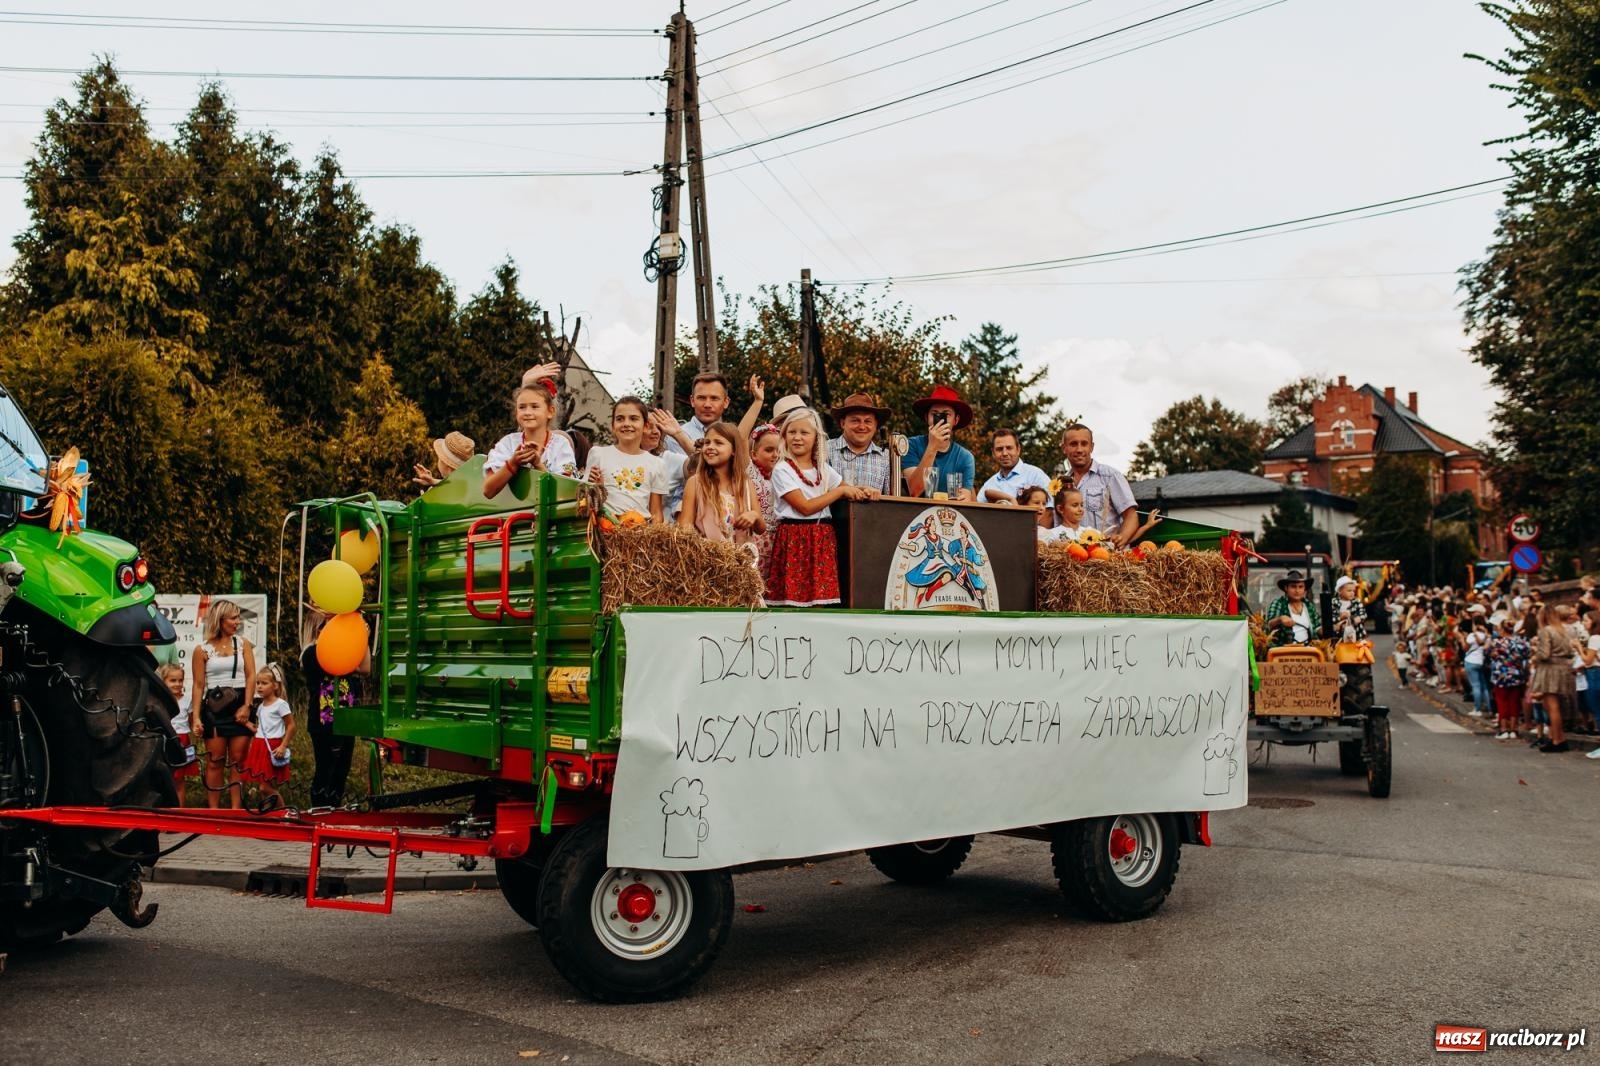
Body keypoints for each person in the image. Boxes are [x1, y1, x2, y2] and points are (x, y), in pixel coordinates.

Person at [765, 407, 873, 607]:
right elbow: (805, 507)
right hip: (795, 537)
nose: (797, 438)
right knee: (792, 600)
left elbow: (846, 487)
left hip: (821, 537)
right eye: (792, 432)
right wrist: (840, 492)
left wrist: (864, 490)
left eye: (804, 432)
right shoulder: (782, 469)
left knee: (819, 599)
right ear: (784, 436)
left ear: (816, 438)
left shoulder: (822, 468)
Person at [191, 599, 256, 810]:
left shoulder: (243, 644)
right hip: (215, 706)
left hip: (240, 704)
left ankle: (236, 809)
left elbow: (251, 676)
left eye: (238, 618)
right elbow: (198, 685)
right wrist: (196, 717)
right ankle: (214, 811)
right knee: (215, 760)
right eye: (233, 618)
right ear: (220, 620)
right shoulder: (202, 649)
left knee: (237, 761)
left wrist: (247, 706)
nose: (237, 622)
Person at [301, 609, 361, 808]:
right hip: (323, 718)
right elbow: (335, 666)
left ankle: (335, 807)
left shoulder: (340, 651)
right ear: (318, 629)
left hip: (345, 715)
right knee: (326, 766)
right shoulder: (311, 653)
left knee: (342, 768)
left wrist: (362, 638)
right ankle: (320, 807)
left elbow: (365, 668)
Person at [678, 421, 764, 554]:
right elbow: (685, 526)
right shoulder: (695, 483)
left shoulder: (746, 484)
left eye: (718, 443)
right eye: (707, 442)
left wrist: (754, 515)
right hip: (708, 558)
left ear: (734, 450)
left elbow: (761, 528)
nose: (710, 447)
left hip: (741, 560)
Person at [483, 380, 578, 497]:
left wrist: (538, 464)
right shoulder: (507, 444)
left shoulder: (560, 445)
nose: (527, 412)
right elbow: (488, 491)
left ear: (550, 411)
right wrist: (513, 463)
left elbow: (564, 493)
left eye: (534, 407)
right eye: (522, 407)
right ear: (516, 412)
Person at [585, 397, 667, 522]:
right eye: (620, 419)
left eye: (633, 419)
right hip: (604, 526)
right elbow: (584, 499)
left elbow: (656, 512)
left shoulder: (656, 464)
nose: (626, 424)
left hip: (639, 529)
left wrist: (656, 533)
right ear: (613, 426)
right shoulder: (598, 454)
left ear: (645, 426)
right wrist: (596, 488)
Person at [1058, 423, 1139, 548]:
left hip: (1107, 553)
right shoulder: (1060, 484)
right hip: (1073, 554)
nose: (1079, 449)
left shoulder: (1110, 476)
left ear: (1091, 447)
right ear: (1064, 448)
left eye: (1084, 444)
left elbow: (1131, 516)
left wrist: (1121, 538)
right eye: (1073, 444)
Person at [902, 385, 976, 501]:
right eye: (934, 414)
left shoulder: (965, 457)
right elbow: (914, 491)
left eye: (946, 415)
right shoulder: (911, 445)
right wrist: (933, 446)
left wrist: (963, 498)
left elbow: (966, 499)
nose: (940, 420)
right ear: (927, 417)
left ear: (956, 420)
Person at [240, 663, 294, 807]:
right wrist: (245, 723)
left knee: (265, 787)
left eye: (264, 683)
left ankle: (284, 811)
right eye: (258, 683)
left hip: (272, 745)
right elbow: (260, 728)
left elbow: (291, 726)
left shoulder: (280, 704)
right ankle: (269, 813)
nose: (259, 686)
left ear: (275, 686)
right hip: (259, 745)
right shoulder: (260, 707)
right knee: (263, 787)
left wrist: (283, 746)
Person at [826, 393, 893, 494]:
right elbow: (817, 492)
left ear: (875, 425)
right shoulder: (824, 450)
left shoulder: (886, 457)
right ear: (843, 423)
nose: (862, 427)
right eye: (855, 421)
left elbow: (891, 500)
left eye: (868, 421)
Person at [1528, 604, 1574, 752]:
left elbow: (1544, 654)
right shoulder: (1569, 629)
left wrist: (1535, 654)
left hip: (1549, 669)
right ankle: (1559, 737)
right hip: (1564, 667)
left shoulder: (1546, 630)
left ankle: (1557, 740)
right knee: (1557, 705)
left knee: (1551, 706)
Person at [157, 663, 198, 804]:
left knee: (179, 779)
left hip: (182, 740)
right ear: (163, 681)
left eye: (180, 680)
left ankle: (180, 810)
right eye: (173, 680)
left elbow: (191, 723)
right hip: (165, 740)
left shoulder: (187, 700)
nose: (177, 684)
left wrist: (197, 730)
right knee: (164, 777)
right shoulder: (160, 700)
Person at [665, 372, 733, 455]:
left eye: (714, 398)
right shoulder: (675, 437)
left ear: (726, 402)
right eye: (701, 398)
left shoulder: (732, 436)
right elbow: (694, 464)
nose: (707, 405)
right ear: (692, 401)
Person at [980, 428, 1050, 504]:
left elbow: (1049, 508)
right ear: (993, 453)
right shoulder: (989, 485)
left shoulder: (1035, 476)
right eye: (999, 449)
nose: (1004, 453)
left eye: (1009, 448)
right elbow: (975, 509)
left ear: (1018, 449)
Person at [1488, 617, 1531, 740]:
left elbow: (1490, 655)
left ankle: (1504, 729)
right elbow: (1526, 655)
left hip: (1500, 675)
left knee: (1502, 701)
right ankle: (1514, 728)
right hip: (1516, 674)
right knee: (1514, 702)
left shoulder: (1497, 643)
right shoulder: (1522, 642)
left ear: (1502, 629)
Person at [1265, 570, 1319, 647]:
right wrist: (1280, 619)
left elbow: (1317, 627)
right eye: (1293, 586)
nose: (1297, 591)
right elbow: (1268, 625)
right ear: (1286, 588)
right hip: (1285, 649)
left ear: (1304, 590)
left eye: (1300, 587)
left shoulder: (1309, 605)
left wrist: (1330, 628)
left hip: (1308, 649)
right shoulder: (1279, 603)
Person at [1461, 614, 1492, 718]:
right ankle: (1489, 708)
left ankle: (1477, 708)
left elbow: (1465, 648)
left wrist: (1463, 638)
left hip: (1471, 660)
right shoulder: (1486, 636)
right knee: (1484, 686)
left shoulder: (1472, 636)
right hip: (1481, 661)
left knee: (1475, 686)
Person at [1332, 575, 1368, 644]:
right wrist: (1340, 617)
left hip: (1357, 635)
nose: (1352, 593)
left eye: (1353, 591)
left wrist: (1357, 618)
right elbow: (1330, 618)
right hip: (1339, 637)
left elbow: (1363, 614)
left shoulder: (1356, 602)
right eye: (1349, 591)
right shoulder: (1334, 602)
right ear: (1339, 591)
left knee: (1357, 649)